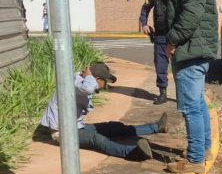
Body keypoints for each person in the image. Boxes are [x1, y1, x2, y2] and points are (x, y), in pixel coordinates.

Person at [153, 0, 219, 174]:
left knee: (190, 106)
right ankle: (204, 150)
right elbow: (177, 8)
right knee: (198, 103)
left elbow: (191, 16)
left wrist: (171, 41)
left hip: (190, 50)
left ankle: (194, 160)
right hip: (193, 48)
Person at [40, 62, 169, 160]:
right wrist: (89, 76)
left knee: (115, 126)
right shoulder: (78, 83)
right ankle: (132, 153)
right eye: (105, 82)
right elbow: (88, 88)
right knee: (97, 139)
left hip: (77, 127)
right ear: (97, 79)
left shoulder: (83, 81)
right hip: (62, 134)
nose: (106, 85)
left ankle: (156, 127)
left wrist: (89, 77)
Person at [140, 0, 172, 105]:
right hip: (159, 36)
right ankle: (162, 94)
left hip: (175, 36)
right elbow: (145, 8)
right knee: (160, 66)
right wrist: (144, 24)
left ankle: (183, 96)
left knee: (179, 68)